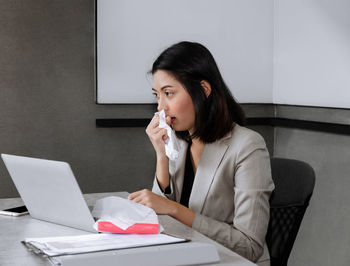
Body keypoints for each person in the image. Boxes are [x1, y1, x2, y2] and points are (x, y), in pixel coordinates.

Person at [128, 41, 274, 266]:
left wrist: (175, 209)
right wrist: (161, 156)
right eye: (157, 95)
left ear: (203, 90)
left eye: (169, 93)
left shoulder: (248, 146)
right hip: (185, 256)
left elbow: (249, 247)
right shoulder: (180, 140)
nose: (161, 107)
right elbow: (159, 216)